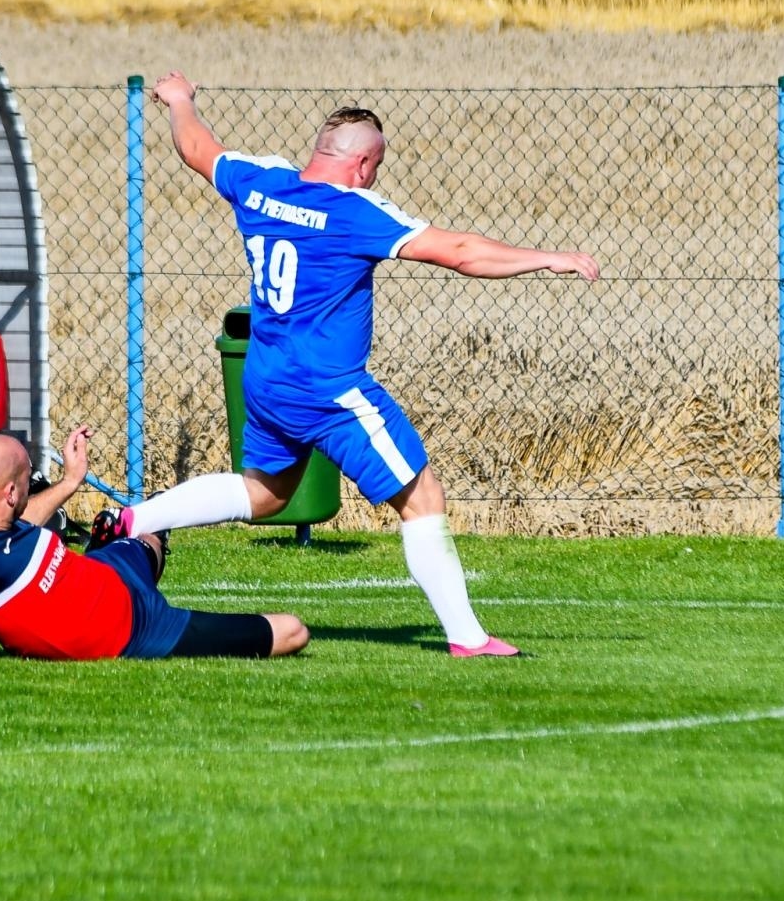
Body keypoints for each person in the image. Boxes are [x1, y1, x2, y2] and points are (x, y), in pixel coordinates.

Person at [96, 72, 601, 658]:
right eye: (376, 168)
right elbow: (460, 253)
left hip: (266, 378)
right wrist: (550, 259)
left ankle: (131, 522)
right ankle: (469, 638)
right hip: (328, 390)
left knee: (267, 494)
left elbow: (196, 149)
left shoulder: (260, 183)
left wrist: (180, 101)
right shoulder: (355, 211)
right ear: (362, 165)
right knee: (422, 498)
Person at [0, 426, 310, 670]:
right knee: (292, 631)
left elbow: (24, 519)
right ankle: (123, 537)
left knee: (149, 533)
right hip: (146, 630)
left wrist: (70, 481)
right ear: (9, 493)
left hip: (112, 572)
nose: (31, 488)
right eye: (27, 481)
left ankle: (129, 532)